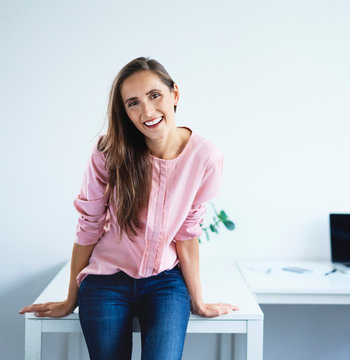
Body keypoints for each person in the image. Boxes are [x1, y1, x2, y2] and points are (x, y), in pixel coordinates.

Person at [19, 57, 239, 360]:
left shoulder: (206, 157)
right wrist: (71, 297)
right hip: (106, 281)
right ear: (124, 112)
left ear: (175, 94)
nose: (147, 111)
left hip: (164, 281)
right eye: (133, 103)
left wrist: (199, 301)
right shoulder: (108, 152)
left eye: (154, 95)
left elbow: (188, 231)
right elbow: (89, 226)